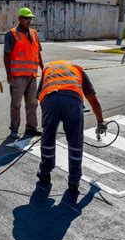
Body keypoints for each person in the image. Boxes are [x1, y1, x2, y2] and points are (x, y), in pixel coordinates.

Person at [36, 60, 106, 192]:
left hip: (50, 100)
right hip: (73, 102)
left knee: (48, 138)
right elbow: (93, 100)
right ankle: (74, 180)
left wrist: (49, 120)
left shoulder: (48, 69)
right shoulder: (77, 70)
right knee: (75, 142)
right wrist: (100, 121)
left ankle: (45, 173)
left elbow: (40, 96)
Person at [3, 7, 44, 139]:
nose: (28, 21)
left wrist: (44, 69)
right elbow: (6, 55)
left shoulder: (34, 33)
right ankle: (14, 130)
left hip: (32, 75)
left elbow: (38, 53)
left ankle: (31, 128)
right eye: (26, 18)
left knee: (32, 103)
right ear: (19, 19)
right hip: (17, 77)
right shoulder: (11, 34)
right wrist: (9, 75)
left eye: (30, 18)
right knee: (16, 104)